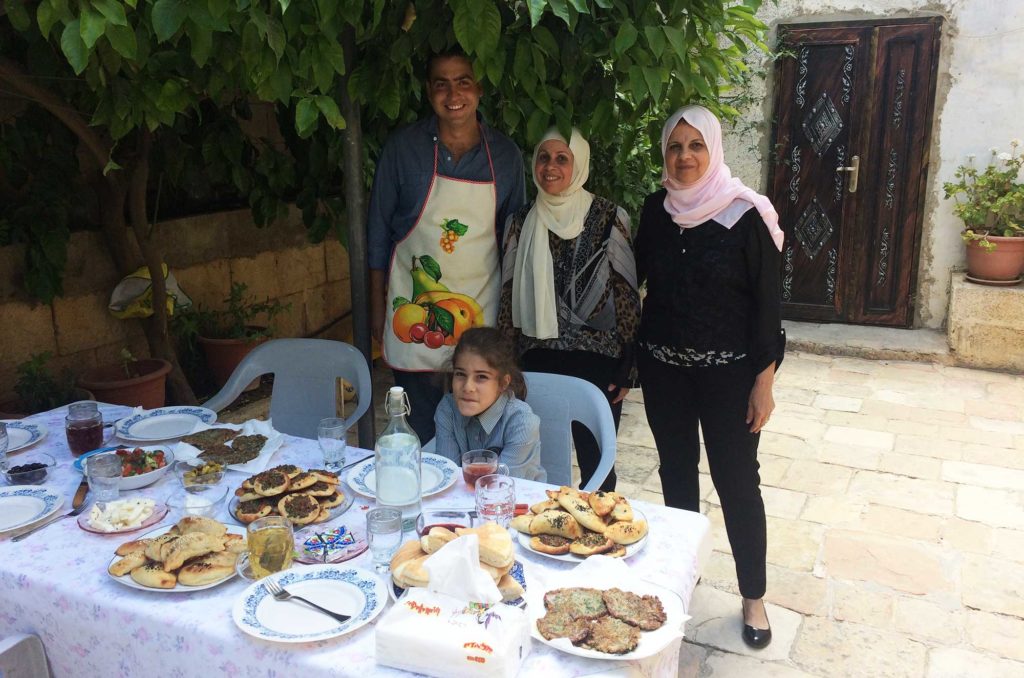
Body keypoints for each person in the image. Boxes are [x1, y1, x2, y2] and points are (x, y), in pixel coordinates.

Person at [634, 105, 785, 649]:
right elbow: (639, 284)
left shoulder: (746, 215)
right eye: (675, 146)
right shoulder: (656, 210)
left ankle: (753, 597)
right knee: (676, 473)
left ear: (714, 150)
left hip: (729, 378)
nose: (684, 157)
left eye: (696, 145)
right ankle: (681, 579)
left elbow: (768, 306)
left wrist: (763, 380)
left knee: (738, 482)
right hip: (664, 371)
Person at [367, 48, 527, 442]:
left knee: (476, 433)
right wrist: (376, 307)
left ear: (479, 89)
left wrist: (511, 326)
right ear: (428, 91)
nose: (452, 93)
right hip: (414, 319)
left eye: (463, 81)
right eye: (442, 83)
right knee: (418, 432)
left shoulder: (505, 156)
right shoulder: (403, 149)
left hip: (480, 317)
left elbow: (515, 246)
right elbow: (377, 233)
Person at [497, 128, 639, 491]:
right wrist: (505, 364)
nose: (551, 167)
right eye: (544, 157)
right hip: (537, 359)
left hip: (598, 362)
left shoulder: (609, 217)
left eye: (563, 158)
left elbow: (626, 295)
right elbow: (508, 295)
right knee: (537, 465)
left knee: (598, 469)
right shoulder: (520, 220)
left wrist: (628, 366)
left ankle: (600, 541)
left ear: (579, 163)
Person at [433, 327, 545, 482]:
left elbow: (501, 487)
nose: (467, 387)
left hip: (515, 501)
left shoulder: (523, 422)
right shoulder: (448, 409)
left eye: (481, 377)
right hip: (462, 499)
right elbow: (447, 475)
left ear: (503, 383)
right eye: (460, 374)